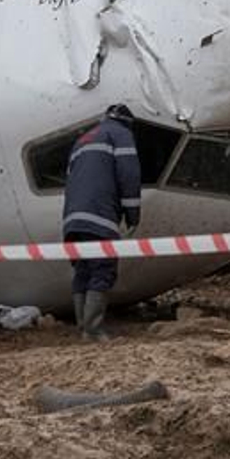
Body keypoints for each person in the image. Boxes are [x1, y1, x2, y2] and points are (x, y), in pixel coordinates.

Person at [62, 103, 142, 341]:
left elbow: (70, 180)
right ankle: (93, 330)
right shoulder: (121, 134)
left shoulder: (82, 140)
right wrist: (132, 215)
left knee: (83, 271)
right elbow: (129, 174)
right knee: (103, 269)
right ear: (127, 123)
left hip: (72, 219)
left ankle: (83, 328)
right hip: (99, 215)